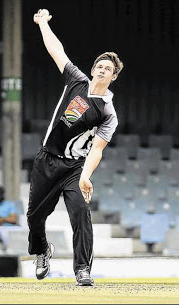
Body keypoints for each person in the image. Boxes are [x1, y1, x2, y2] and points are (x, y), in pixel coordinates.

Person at [28, 9, 123, 286]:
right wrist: (43, 24)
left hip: (74, 167)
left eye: (108, 69)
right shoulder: (77, 81)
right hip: (46, 161)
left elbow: (97, 149)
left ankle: (82, 269)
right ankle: (42, 251)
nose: (102, 70)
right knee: (35, 217)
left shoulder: (108, 112)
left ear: (113, 77)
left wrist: (86, 175)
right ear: (93, 69)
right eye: (100, 66)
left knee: (81, 213)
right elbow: (57, 51)